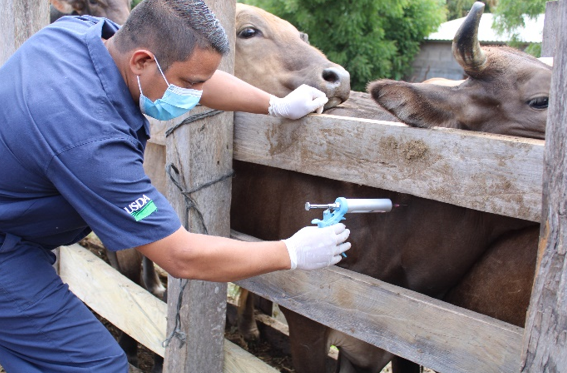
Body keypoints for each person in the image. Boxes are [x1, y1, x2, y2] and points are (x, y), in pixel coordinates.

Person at [0, 0, 350, 372]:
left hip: (17, 233)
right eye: (188, 85)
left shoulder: (77, 36)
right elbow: (180, 255)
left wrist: (274, 104)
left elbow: (193, 75)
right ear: (141, 62)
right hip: (8, 248)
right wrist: (291, 253)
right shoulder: (90, 141)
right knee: (98, 366)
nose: (192, 94)